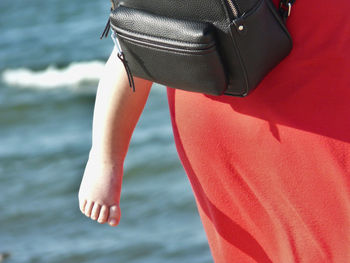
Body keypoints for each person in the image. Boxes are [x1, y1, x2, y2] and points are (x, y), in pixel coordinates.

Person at [79, 0, 350, 261]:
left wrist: (106, 157)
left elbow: (134, 37)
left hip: (216, 104)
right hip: (310, 102)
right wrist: (105, 159)